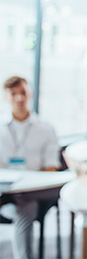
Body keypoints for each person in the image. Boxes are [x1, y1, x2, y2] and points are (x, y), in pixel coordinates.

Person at [0, 76, 60, 259]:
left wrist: (26, 184)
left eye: (23, 93)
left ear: (31, 94)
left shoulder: (46, 129)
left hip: (31, 192)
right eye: (14, 94)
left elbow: (51, 168)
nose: (19, 98)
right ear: (6, 97)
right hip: (4, 190)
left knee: (25, 207)